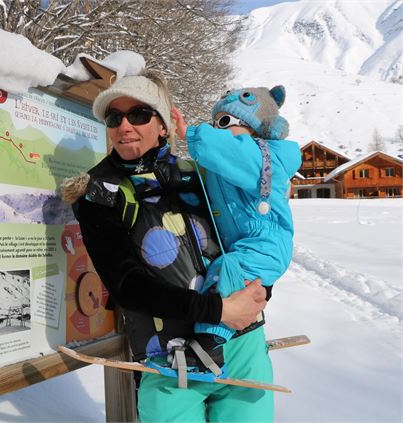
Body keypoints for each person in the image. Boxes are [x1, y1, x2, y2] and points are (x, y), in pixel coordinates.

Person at [61, 72, 272, 422]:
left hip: (242, 343)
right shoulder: (100, 192)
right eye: (115, 118)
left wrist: (261, 292)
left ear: (162, 124)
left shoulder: (199, 173)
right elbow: (126, 284)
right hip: (169, 360)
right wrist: (217, 310)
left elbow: (254, 238)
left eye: (140, 114)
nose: (125, 125)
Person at [171, 86, 301, 358]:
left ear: (256, 130)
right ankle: (237, 326)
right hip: (245, 243)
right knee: (231, 280)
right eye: (215, 123)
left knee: (227, 273)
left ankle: (208, 345)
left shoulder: (264, 156)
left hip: (266, 243)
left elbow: (230, 152)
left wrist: (192, 133)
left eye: (225, 123)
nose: (218, 131)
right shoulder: (229, 160)